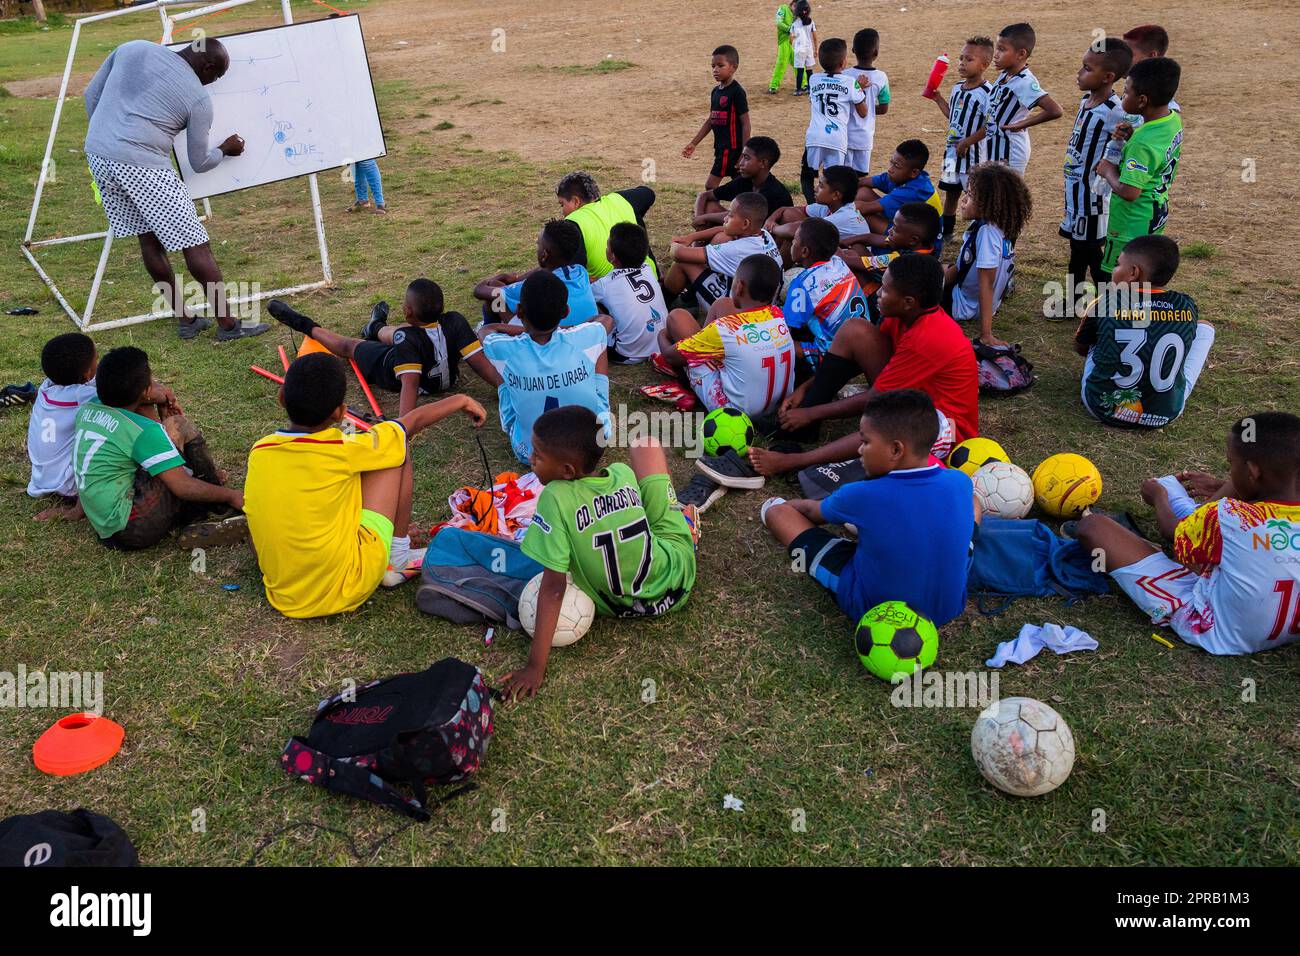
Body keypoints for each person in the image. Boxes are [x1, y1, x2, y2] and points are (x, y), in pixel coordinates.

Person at [244, 352, 487, 618]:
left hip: (285, 592)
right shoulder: (343, 448)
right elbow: (408, 425)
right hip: (347, 586)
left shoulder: (260, 451)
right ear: (340, 413)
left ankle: (389, 547)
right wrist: (460, 399)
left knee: (357, 469)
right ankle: (397, 557)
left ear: (281, 398)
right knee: (397, 448)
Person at [501, 407, 698, 699]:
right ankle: (680, 521)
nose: (531, 459)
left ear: (567, 470)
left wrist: (535, 667)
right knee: (646, 446)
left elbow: (554, 589)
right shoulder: (623, 474)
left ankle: (684, 523)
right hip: (677, 581)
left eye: (538, 455)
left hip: (618, 607)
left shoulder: (555, 497)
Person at [731, 255, 978, 488]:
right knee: (855, 330)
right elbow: (859, 359)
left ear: (908, 302)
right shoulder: (900, 315)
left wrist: (812, 413)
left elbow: (878, 398)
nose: (878, 293)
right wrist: (806, 391)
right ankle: (801, 428)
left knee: (887, 424)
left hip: (948, 425)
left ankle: (797, 461)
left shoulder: (928, 338)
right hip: (915, 395)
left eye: (886, 289)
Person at [82, 39, 268, 341]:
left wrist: (108, 136)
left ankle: (186, 319)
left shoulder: (134, 48)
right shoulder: (198, 100)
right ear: (207, 67)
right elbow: (200, 161)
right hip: (143, 165)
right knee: (195, 244)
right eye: (216, 77)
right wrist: (224, 149)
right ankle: (228, 325)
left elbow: (90, 94)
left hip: (98, 156)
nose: (212, 83)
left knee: (149, 238)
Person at [1076, 412, 1300, 656]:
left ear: (1253, 471)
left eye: (1231, 464)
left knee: (1093, 527)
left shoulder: (1229, 515)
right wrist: (1228, 485)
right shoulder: (1233, 513)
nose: (1230, 471)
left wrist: (1158, 497)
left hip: (1217, 631)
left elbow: (1171, 531)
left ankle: (1187, 529)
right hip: (1289, 630)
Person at [759, 389, 976, 627]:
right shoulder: (961, 482)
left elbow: (813, 512)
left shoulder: (862, 494)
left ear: (896, 449)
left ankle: (775, 508)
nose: (860, 450)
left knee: (777, 513)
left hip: (874, 607)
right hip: (948, 608)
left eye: (865, 442)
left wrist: (788, 505)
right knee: (969, 508)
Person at [72, 346, 241, 550]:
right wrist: (232, 495)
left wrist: (160, 397)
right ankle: (216, 505)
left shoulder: (88, 408)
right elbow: (183, 487)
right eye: (151, 381)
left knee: (161, 436)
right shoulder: (144, 432)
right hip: (132, 528)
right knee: (178, 425)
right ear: (145, 392)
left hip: (104, 523)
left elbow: (143, 398)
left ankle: (204, 496)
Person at [267, 280, 501, 419]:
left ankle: (303, 324)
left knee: (350, 346)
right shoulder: (455, 320)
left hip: (389, 367)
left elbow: (409, 385)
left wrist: (402, 427)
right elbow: (481, 364)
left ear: (408, 311)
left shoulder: (406, 337)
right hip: (438, 372)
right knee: (402, 334)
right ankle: (376, 326)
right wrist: (507, 387)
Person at [1075, 235, 1213, 429]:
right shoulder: (1186, 305)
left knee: (1096, 330)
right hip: (1165, 414)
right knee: (1205, 327)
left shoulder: (1108, 302)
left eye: (1117, 264)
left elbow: (1081, 348)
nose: (1114, 270)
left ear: (1133, 272)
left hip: (1101, 408)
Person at [480, 271, 611, 464]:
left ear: (520, 311)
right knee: (598, 344)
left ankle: (514, 421)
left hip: (530, 453)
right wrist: (566, 330)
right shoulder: (583, 337)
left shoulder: (505, 348)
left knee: (503, 363)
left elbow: (486, 330)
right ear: (566, 312)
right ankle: (601, 409)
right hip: (593, 443)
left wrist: (528, 332)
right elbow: (605, 320)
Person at [658, 253, 794, 425]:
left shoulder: (724, 329)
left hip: (733, 413)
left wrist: (662, 335)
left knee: (676, 317)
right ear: (775, 291)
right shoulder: (778, 316)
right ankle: (702, 346)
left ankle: (689, 382)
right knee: (722, 304)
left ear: (738, 286)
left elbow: (671, 356)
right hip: (776, 407)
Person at [1094, 57, 1183, 279]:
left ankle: (1115, 313)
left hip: (1130, 222)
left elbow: (1129, 191)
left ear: (1142, 100)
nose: (1123, 96)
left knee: (1120, 278)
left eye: (1126, 92)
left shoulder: (1142, 142)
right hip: (1154, 212)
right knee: (1143, 276)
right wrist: (1132, 137)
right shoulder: (1171, 120)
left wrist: (1107, 170)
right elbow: (1157, 158)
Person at [1061, 37, 1133, 297]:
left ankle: (1107, 304)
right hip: (1074, 195)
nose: (1079, 73)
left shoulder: (1115, 111)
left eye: (1088, 69)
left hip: (1092, 198)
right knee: (1077, 250)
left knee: (1091, 253)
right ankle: (1075, 300)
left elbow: (1123, 146)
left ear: (1108, 77)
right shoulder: (1085, 101)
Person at [943, 162, 1032, 346]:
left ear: (987, 202)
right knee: (937, 268)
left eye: (970, 195)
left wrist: (986, 334)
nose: (963, 200)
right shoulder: (996, 225)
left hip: (963, 307)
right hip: (970, 299)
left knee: (916, 276)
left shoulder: (987, 234)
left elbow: (986, 284)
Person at [663, 192, 782, 310]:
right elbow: (723, 229)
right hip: (765, 305)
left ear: (745, 224)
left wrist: (675, 243)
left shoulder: (737, 249)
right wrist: (691, 238)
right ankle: (690, 297)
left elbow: (679, 254)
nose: (725, 218)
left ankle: (663, 302)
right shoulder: (764, 234)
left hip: (734, 310)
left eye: (730, 215)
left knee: (684, 262)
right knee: (722, 237)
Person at [925, 36, 993, 240]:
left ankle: (978, 231)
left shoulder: (987, 93)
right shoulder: (957, 88)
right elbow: (952, 115)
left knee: (974, 195)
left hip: (973, 157)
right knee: (951, 192)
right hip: (952, 155)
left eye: (969, 59)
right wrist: (938, 99)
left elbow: (989, 126)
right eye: (961, 58)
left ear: (984, 64)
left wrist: (967, 141)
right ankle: (947, 232)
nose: (962, 63)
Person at [474, 219, 600, 327]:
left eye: (538, 244)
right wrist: (516, 278)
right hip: (583, 336)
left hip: (542, 339)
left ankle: (489, 333)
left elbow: (479, 291)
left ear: (544, 255)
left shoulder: (536, 286)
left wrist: (495, 279)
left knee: (495, 297)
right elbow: (543, 270)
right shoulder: (580, 272)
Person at [27, 332, 98, 521]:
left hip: (42, 478)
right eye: (96, 359)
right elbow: (124, 394)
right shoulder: (84, 396)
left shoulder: (46, 388)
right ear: (86, 374)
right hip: (69, 484)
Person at [782, 217, 867, 369]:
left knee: (781, 343)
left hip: (835, 356)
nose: (792, 244)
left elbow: (786, 328)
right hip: (863, 346)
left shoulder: (802, 284)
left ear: (805, 251)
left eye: (794, 240)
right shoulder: (839, 262)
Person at [981, 23, 1063, 175]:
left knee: (1007, 196)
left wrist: (1022, 123)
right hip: (995, 146)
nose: (996, 54)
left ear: (1021, 54)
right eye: (997, 48)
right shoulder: (1005, 74)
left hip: (1010, 151)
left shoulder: (1024, 82)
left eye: (1002, 49)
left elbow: (1055, 110)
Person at [840, 201, 942, 317]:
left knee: (852, 262)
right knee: (856, 248)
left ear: (913, 240)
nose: (890, 231)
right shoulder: (921, 246)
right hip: (893, 286)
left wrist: (835, 249)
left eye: (894, 228)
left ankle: (864, 306)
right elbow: (870, 238)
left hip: (888, 304)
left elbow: (857, 262)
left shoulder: (904, 260)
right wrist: (844, 242)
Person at [556, 171, 657, 281]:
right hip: (653, 283)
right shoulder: (618, 200)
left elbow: (572, 278)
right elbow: (648, 193)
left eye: (562, 204)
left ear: (576, 201)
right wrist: (636, 219)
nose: (562, 211)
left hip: (614, 294)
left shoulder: (572, 224)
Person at [800, 36, 866, 201]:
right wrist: (861, 89)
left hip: (815, 136)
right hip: (837, 139)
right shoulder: (851, 83)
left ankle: (811, 204)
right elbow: (863, 112)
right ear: (843, 62)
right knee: (833, 178)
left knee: (807, 175)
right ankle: (828, 207)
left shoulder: (813, 79)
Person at [591, 223, 669, 362]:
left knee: (592, 304)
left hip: (629, 354)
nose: (606, 247)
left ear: (612, 257)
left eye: (608, 245)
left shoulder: (604, 285)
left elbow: (587, 293)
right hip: (661, 342)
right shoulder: (647, 269)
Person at [767, 165, 869, 267]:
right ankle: (773, 260)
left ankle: (777, 269)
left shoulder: (845, 216)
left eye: (821, 186)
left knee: (796, 236)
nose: (815, 189)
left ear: (835, 195)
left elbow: (794, 230)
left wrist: (772, 227)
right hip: (839, 257)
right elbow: (787, 209)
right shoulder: (830, 206)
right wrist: (771, 219)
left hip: (855, 267)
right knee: (790, 215)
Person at [682, 45, 751, 189]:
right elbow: (711, 120)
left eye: (720, 66)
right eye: (713, 66)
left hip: (731, 149)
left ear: (733, 67)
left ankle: (717, 211)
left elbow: (746, 123)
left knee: (710, 186)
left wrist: (745, 152)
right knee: (743, 187)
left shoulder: (737, 92)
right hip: (720, 148)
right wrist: (694, 143)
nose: (715, 70)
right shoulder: (715, 92)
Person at [693, 136, 793, 228]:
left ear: (763, 163)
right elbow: (704, 196)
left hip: (762, 240)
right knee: (710, 206)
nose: (740, 163)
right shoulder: (745, 181)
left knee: (721, 237)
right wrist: (698, 219)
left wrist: (705, 218)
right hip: (743, 228)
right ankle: (698, 245)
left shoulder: (773, 192)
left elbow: (742, 221)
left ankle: (698, 246)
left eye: (746, 158)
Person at [853, 139, 940, 236]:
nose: (890, 170)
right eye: (892, 163)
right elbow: (863, 182)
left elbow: (865, 208)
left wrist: (836, 204)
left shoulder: (914, 191)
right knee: (863, 192)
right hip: (909, 223)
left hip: (919, 241)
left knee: (862, 215)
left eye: (896, 166)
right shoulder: (902, 176)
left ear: (914, 172)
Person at [842, 29, 890, 176]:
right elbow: (883, 108)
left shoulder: (844, 75)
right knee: (860, 178)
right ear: (876, 53)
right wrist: (867, 108)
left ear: (853, 50)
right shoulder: (881, 78)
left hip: (843, 136)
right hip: (864, 138)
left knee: (840, 177)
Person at [1122, 24, 1182, 113]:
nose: (1121, 58)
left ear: (1152, 56)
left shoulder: (1164, 110)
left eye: (1129, 54)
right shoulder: (1132, 90)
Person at [790, 2, 817, 95]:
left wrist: (792, 43)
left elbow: (791, 38)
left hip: (799, 49)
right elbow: (814, 37)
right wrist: (816, 49)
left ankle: (798, 90)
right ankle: (810, 89)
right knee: (809, 69)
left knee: (800, 70)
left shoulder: (795, 23)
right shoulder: (811, 22)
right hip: (809, 48)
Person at [770, 3, 796, 94]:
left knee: (798, 62)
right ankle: (774, 85)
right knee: (781, 63)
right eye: (796, 7)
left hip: (793, 42)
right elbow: (778, 22)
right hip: (784, 41)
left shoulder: (797, 13)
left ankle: (804, 84)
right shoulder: (783, 8)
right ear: (792, 4)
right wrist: (789, 29)